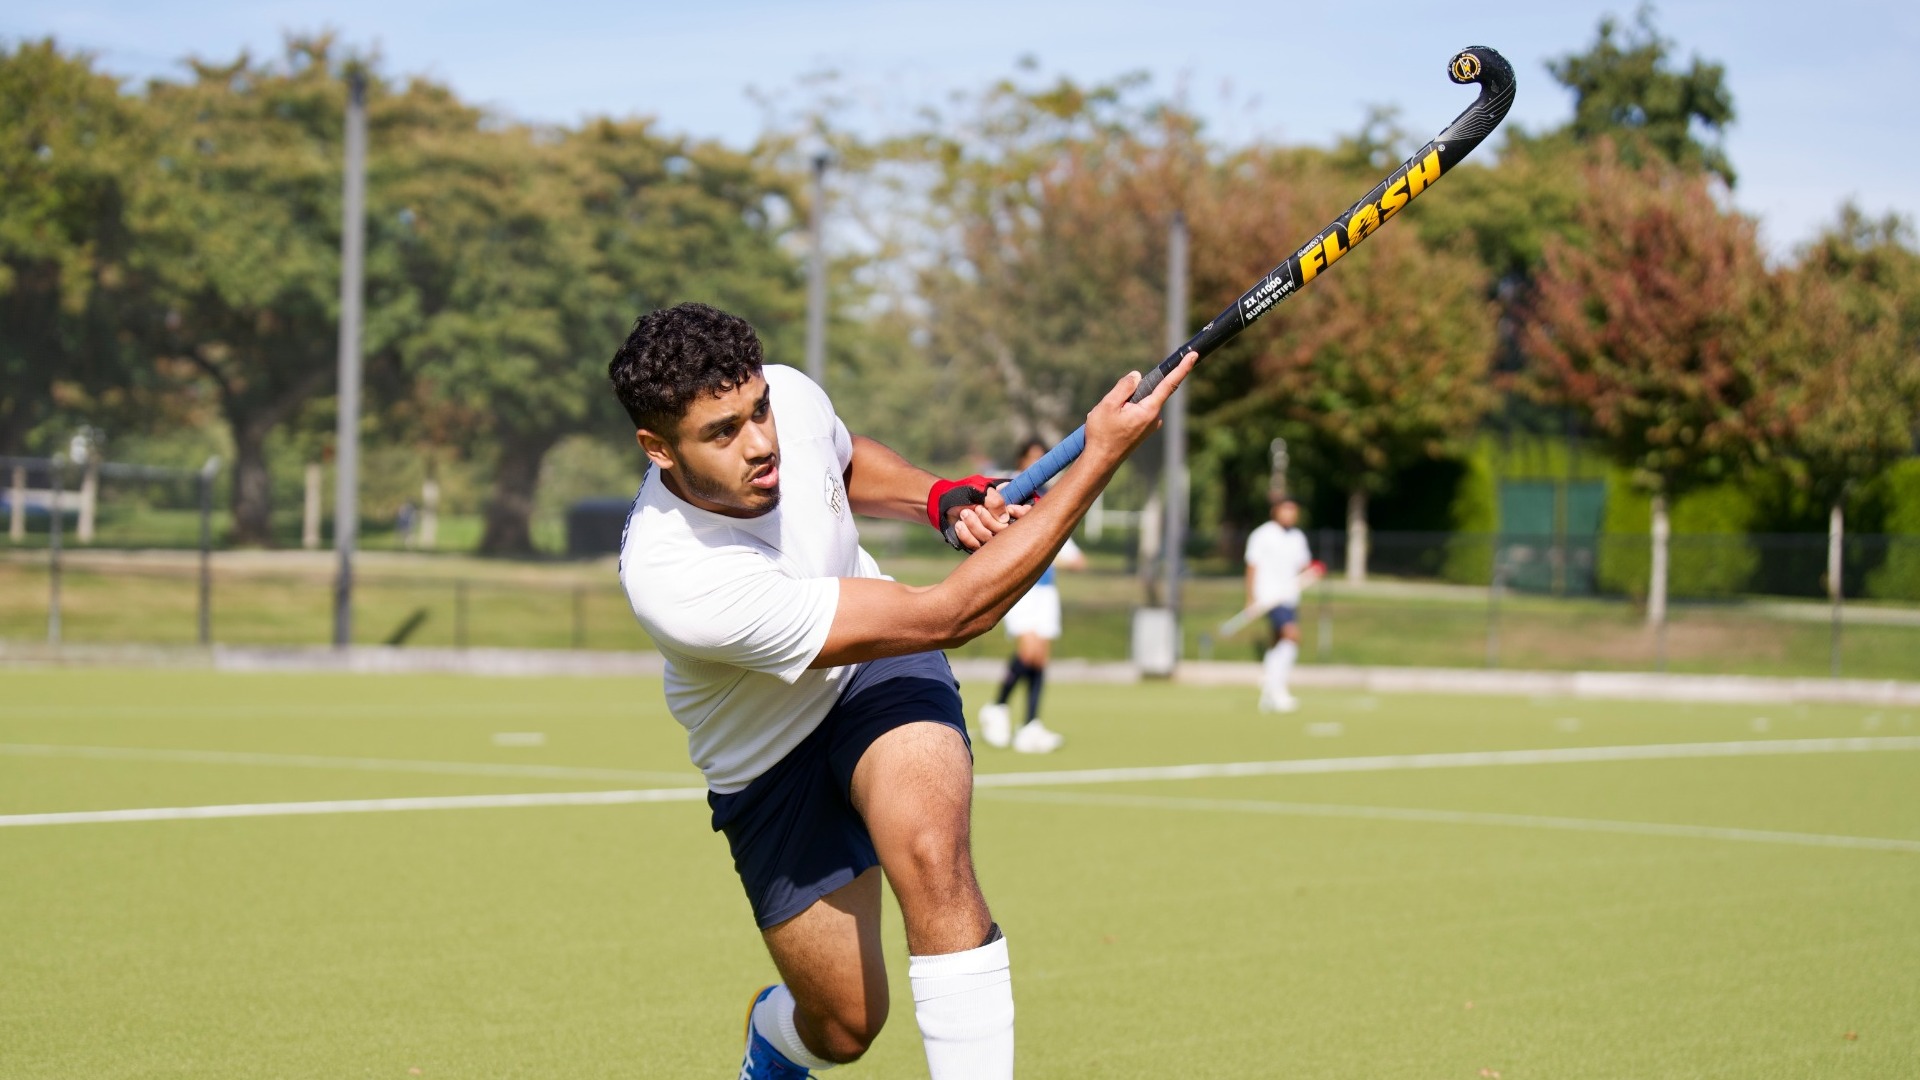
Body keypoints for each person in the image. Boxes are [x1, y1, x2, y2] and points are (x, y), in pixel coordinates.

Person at [608, 302, 1193, 1079]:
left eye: (758, 411)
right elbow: (952, 612)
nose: (761, 444)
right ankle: (772, 1041)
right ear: (659, 449)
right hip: (767, 764)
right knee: (846, 1026)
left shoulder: (788, 401)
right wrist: (1100, 458)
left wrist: (938, 499)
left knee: (931, 850)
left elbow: (839, 462)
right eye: (723, 432)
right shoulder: (674, 577)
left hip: (874, 675)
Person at [977, 439, 1087, 753]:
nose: (1040, 465)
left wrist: (1070, 555)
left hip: (1045, 588)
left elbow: (1056, 534)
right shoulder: (1007, 492)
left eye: (1045, 458)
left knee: (1039, 658)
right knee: (1027, 654)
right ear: (1022, 460)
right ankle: (996, 707)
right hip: (1019, 585)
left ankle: (1030, 725)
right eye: (1034, 458)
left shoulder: (1049, 497)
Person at [1243, 495, 1320, 713]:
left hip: (1289, 597)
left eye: (1293, 510)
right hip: (1269, 597)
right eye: (1285, 510)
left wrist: (1312, 573)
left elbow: (1304, 567)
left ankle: (1269, 690)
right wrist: (1250, 597)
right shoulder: (1262, 535)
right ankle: (1276, 690)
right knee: (1292, 636)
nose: (1289, 514)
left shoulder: (1297, 537)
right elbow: (1252, 566)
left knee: (1278, 642)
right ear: (1275, 511)